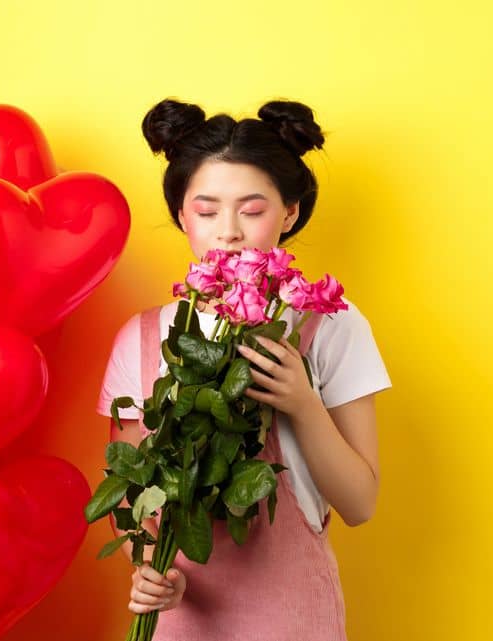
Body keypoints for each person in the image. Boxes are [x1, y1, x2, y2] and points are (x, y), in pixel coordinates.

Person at [94, 98, 393, 640]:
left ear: (290, 213)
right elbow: (131, 504)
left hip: (293, 616)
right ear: (181, 215)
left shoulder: (329, 325)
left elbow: (359, 503)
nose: (228, 232)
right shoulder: (141, 339)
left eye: (252, 211)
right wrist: (148, 574)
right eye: (206, 211)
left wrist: (301, 402)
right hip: (181, 616)